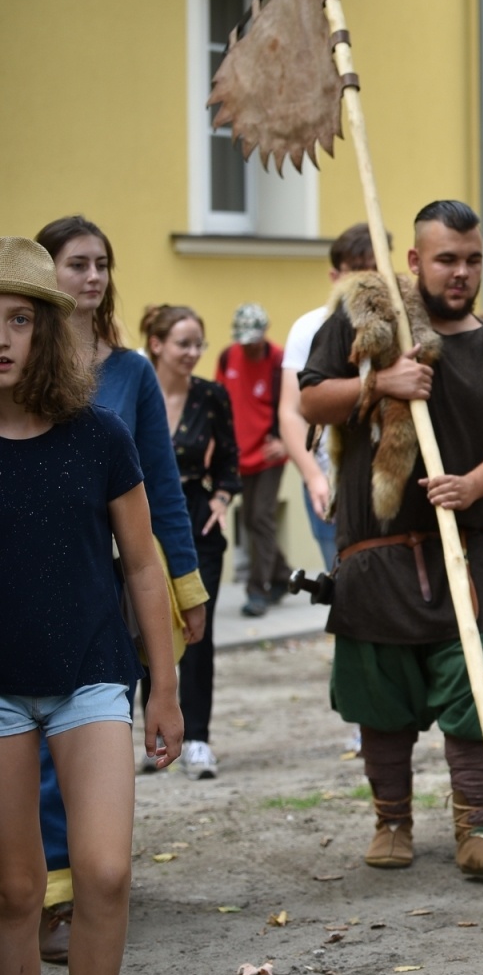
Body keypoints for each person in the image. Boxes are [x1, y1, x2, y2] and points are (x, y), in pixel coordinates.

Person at [299, 199, 483, 877]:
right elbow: (311, 400)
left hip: (467, 550)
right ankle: (392, 824)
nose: (461, 273)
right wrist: (381, 382)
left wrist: (472, 484)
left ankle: (477, 830)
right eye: (446, 260)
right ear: (414, 261)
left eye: (472, 260)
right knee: (380, 696)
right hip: (375, 551)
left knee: (474, 689)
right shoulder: (362, 321)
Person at [0, 236, 183, 975]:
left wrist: (167, 690)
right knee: (13, 890)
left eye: (16, 320)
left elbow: (143, 567)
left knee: (105, 873)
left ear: (45, 328)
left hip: (92, 677)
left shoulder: (99, 434)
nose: (0, 338)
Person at [34, 215, 204, 964]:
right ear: (44, 273)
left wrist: (186, 586)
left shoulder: (131, 371)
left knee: (93, 728)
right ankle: (45, 891)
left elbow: (159, 490)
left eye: (103, 263)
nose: (94, 277)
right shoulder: (15, 364)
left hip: (104, 576)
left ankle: (77, 888)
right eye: (77, 263)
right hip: (25, 576)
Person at [142, 305, 241, 779]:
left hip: (197, 520)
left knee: (197, 632)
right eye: (183, 343)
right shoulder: (136, 387)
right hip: (140, 517)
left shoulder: (211, 395)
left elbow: (229, 461)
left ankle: (198, 738)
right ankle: (155, 737)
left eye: (198, 343)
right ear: (156, 344)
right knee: (144, 627)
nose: (193, 353)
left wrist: (222, 500)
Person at [280, 224, 387, 572]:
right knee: (343, 583)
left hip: (390, 477)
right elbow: (292, 411)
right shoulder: (310, 327)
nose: (368, 279)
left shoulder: (402, 322)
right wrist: (313, 475)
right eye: (358, 269)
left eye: (376, 266)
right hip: (333, 479)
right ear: (335, 275)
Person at [219, 303, 290, 616]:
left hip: (269, 453)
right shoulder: (227, 357)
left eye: (253, 340)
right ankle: (283, 575)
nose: (247, 346)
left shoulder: (278, 361)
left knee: (260, 517)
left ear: (264, 334)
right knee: (250, 519)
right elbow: (220, 403)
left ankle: (257, 591)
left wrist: (287, 442)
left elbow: (296, 405)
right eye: (243, 340)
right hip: (239, 453)